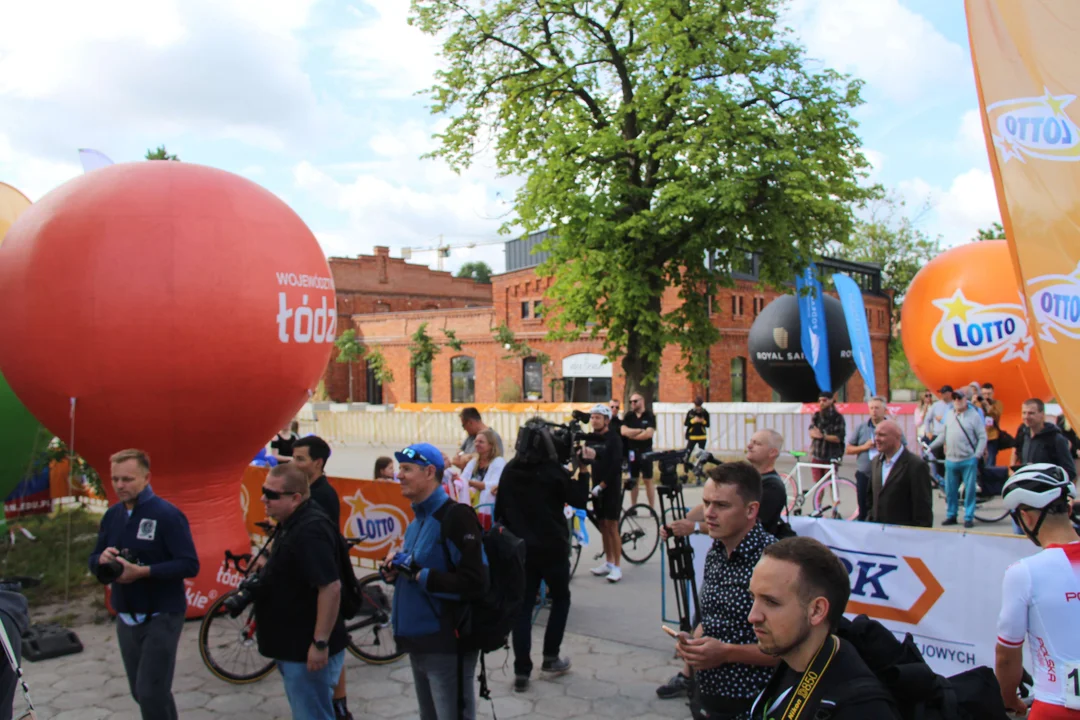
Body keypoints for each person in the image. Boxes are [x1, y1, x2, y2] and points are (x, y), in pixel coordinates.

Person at [657, 462, 779, 718]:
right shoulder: (718, 550)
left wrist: (726, 653)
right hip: (707, 693)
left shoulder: (774, 562)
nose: (709, 514)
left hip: (752, 701)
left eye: (721, 505)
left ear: (751, 510)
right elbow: (711, 617)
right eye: (706, 503)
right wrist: (693, 642)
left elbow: (787, 650)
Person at [88, 449, 199, 720]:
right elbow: (93, 560)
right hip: (125, 613)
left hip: (162, 613)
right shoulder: (112, 515)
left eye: (127, 479)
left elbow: (189, 564)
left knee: (151, 692)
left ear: (147, 477)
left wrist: (144, 571)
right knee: (143, 692)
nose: (120, 485)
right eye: (115, 479)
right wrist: (100, 561)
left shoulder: (167, 514)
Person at [384, 443, 487, 720]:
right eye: (399, 469)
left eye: (406, 469)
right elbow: (423, 568)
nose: (398, 475)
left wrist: (419, 573)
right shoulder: (419, 518)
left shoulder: (457, 517)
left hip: (445, 642)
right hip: (418, 641)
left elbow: (475, 582)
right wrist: (397, 574)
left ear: (430, 472)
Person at [747, 537, 902, 720]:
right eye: (752, 598)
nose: (752, 616)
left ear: (817, 611)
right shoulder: (794, 659)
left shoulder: (861, 706)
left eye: (771, 602)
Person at [495, 418, 590, 692]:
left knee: (523, 608)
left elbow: (500, 509)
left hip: (521, 550)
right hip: (552, 548)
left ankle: (521, 670)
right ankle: (551, 657)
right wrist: (583, 470)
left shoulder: (510, 470)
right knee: (561, 598)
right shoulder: (552, 472)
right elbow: (579, 500)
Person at [254, 463, 348, 720]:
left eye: (272, 494)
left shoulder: (310, 529)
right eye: (264, 491)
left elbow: (330, 587)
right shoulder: (291, 522)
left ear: (296, 498)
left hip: (305, 649)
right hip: (291, 646)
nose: (264, 498)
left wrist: (320, 642)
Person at [995, 464, 1080, 719]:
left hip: (1056, 709)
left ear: (1027, 518)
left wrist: (1009, 699)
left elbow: (1007, 656)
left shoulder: (1024, 572)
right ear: (1068, 508)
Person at [291, 434, 352, 719]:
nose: (295, 464)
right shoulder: (306, 490)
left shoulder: (322, 496)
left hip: (325, 577)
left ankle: (339, 703)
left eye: (300, 459)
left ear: (317, 463)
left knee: (332, 642)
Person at [664, 429, 789, 541]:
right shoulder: (746, 476)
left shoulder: (773, 487)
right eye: (751, 441)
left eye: (757, 444)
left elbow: (745, 528)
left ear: (772, 452)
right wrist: (677, 525)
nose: (749, 446)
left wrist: (695, 527)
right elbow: (709, 505)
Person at [580, 404, 626, 582]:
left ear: (606, 420)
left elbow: (616, 465)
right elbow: (586, 458)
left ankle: (617, 566)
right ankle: (608, 561)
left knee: (612, 526)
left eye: (597, 417)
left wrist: (603, 485)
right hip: (596, 484)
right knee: (602, 525)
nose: (594, 420)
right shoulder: (591, 438)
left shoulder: (614, 439)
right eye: (592, 417)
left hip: (610, 486)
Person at [929, 390, 987, 528]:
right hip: (951, 459)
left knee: (969, 490)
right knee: (950, 490)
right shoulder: (949, 415)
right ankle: (951, 515)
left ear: (965, 399)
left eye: (959, 398)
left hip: (968, 459)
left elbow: (982, 436)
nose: (957, 401)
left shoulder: (974, 416)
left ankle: (968, 516)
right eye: (954, 398)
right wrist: (930, 447)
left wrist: (977, 455)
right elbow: (943, 435)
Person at [867, 420, 933, 528]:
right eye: (876, 435)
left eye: (882, 435)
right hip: (878, 533)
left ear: (897, 437)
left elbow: (923, 509)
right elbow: (871, 498)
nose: (876, 439)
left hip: (903, 535)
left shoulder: (916, 465)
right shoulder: (876, 462)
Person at [845, 396, 889, 522]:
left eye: (877, 408)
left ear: (884, 410)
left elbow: (902, 447)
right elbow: (849, 449)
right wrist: (864, 447)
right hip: (864, 473)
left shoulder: (891, 427)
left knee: (882, 507)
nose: (874, 411)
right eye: (871, 408)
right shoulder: (862, 428)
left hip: (884, 474)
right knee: (863, 506)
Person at [1013, 399, 1077, 480]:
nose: (1026, 417)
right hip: (1027, 487)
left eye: (1031, 413)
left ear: (1042, 414)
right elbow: (1016, 450)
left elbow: (1070, 472)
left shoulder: (1056, 438)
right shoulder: (1023, 434)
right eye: (1024, 413)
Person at [462, 427, 506, 530]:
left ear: (490, 445)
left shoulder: (498, 462)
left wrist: (469, 483)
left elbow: (491, 485)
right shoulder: (473, 462)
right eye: (476, 441)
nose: (477, 444)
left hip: (489, 510)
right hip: (472, 508)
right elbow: (462, 479)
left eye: (481, 442)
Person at [622, 392, 658, 511]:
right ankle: (633, 507)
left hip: (646, 452)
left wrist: (632, 434)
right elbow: (623, 431)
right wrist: (639, 431)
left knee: (648, 480)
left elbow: (648, 434)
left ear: (641, 401)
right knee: (634, 479)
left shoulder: (649, 415)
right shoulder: (629, 416)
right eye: (631, 402)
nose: (632, 403)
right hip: (632, 452)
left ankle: (652, 507)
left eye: (635, 401)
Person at [808, 392, 845, 485]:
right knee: (818, 485)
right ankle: (817, 500)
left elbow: (838, 438)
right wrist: (815, 434)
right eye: (819, 400)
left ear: (831, 400)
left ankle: (835, 500)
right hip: (817, 455)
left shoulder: (838, 418)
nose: (821, 403)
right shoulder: (816, 416)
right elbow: (811, 431)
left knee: (832, 484)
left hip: (831, 456)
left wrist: (823, 436)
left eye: (824, 400)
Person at [685, 397, 711, 475]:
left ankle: (699, 471)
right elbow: (686, 423)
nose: (698, 407)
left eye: (699, 405)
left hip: (702, 436)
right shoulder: (690, 412)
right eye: (697, 405)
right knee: (687, 453)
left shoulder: (705, 412)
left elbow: (708, 425)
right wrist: (693, 420)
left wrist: (702, 421)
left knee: (701, 455)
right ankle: (685, 471)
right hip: (692, 436)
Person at [981, 383, 1004, 465]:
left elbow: (997, 416)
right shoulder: (978, 404)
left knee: (990, 461)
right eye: (984, 394)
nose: (986, 396)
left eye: (989, 394)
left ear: (993, 393)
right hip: (979, 436)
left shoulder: (998, 403)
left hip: (992, 436)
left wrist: (989, 407)